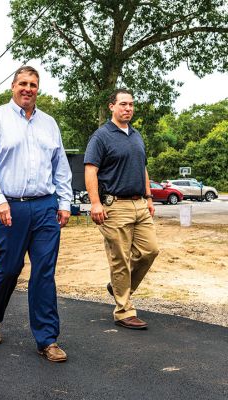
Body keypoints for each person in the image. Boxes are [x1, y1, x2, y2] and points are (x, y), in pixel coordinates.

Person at [0, 66, 72, 362]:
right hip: (10, 206)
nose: (28, 88)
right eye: (23, 83)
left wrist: (65, 202)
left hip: (45, 206)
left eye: (33, 84)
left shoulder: (49, 124)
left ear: (37, 89)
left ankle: (47, 339)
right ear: (12, 86)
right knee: (9, 268)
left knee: (44, 272)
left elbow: (61, 166)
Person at [84, 88, 159, 330]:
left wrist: (148, 197)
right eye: (123, 104)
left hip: (139, 204)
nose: (128, 108)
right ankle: (124, 310)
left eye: (131, 104)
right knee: (120, 260)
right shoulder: (101, 136)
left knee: (150, 251)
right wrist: (95, 202)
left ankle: (118, 287)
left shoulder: (136, 135)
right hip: (114, 206)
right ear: (112, 107)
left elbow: (143, 168)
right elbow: (90, 170)